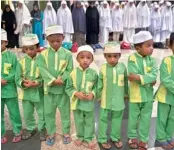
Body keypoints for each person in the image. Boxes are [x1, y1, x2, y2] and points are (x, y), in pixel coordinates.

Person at [37, 25, 73, 146]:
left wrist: (63, 78)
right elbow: (42, 69)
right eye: (52, 41)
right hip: (49, 90)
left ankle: (66, 133)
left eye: (58, 41)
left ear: (63, 38)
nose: (56, 43)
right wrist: (52, 80)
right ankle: (51, 133)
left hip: (63, 91)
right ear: (47, 40)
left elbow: (70, 70)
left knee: (65, 113)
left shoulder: (67, 54)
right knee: (49, 113)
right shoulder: (43, 54)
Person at [127, 31, 158, 150]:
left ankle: (144, 139)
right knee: (133, 118)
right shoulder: (132, 58)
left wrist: (139, 77)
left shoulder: (153, 60)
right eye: (148, 45)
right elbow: (131, 75)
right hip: (135, 96)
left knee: (146, 119)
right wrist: (147, 79)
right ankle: (132, 136)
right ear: (138, 48)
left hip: (148, 96)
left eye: (152, 45)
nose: (152, 48)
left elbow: (154, 76)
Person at [66, 45, 98, 149]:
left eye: (88, 58)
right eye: (82, 57)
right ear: (77, 58)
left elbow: (98, 86)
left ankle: (88, 138)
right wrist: (76, 93)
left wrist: (93, 93)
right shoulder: (73, 73)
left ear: (92, 59)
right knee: (78, 120)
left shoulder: (94, 74)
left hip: (89, 104)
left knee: (89, 121)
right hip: (77, 103)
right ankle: (80, 136)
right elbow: (68, 88)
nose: (85, 60)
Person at [97, 42, 128, 149]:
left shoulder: (123, 67)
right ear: (105, 56)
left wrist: (126, 93)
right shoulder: (103, 68)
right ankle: (102, 138)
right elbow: (99, 83)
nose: (112, 59)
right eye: (109, 56)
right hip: (106, 99)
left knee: (117, 119)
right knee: (103, 119)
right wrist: (98, 95)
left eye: (115, 56)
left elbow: (125, 81)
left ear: (120, 55)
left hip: (119, 100)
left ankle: (115, 137)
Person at [15, 34, 46, 141]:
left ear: (37, 47)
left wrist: (37, 83)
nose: (29, 51)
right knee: (28, 113)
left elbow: (45, 76)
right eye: (26, 49)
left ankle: (42, 129)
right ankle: (31, 128)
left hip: (39, 92)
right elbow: (17, 78)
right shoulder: (21, 62)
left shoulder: (43, 60)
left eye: (32, 49)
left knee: (41, 112)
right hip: (26, 93)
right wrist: (23, 83)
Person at [1, 29, 22, 144]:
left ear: (6, 42)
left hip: (10, 90)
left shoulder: (12, 56)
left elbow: (15, 71)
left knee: (14, 112)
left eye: (0, 42)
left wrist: (6, 80)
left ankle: (17, 131)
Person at [154, 32, 174, 149]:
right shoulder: (166, 60)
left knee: (172, 118)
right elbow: (165, 79)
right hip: (165, 96)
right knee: (162, 118)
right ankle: (161, 138)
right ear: (170, 45)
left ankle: (168, 136)